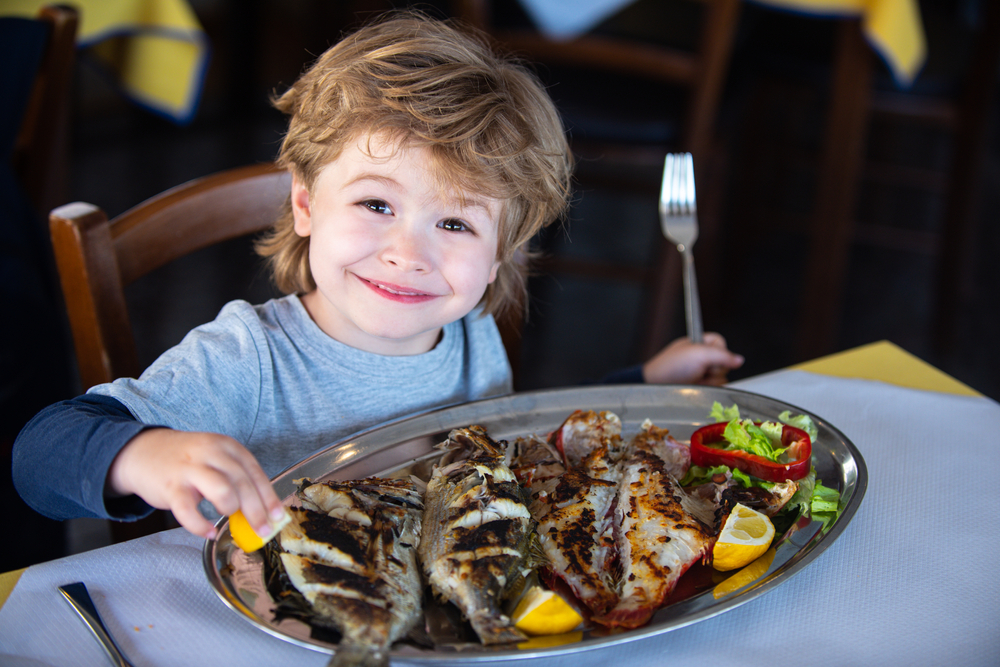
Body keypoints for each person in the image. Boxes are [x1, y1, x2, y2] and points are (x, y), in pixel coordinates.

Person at [12, 11, 743, 543]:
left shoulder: (471, 332)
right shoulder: (247, 363)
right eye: (376, 204)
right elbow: (38, 455)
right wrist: (142, 454)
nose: (407, 252)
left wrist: (645, 379)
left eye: (455, 224)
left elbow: (529, 428)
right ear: (306, 204)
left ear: (500, 252)